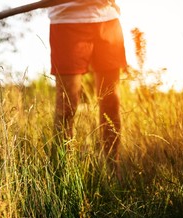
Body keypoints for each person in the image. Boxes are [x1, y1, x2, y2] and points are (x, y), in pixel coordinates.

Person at [48, 0, 126, 173]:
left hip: (107, 17)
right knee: (67, 103)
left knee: (111, 100)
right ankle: (63, 172)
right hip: (67, 20)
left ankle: (113, 168)